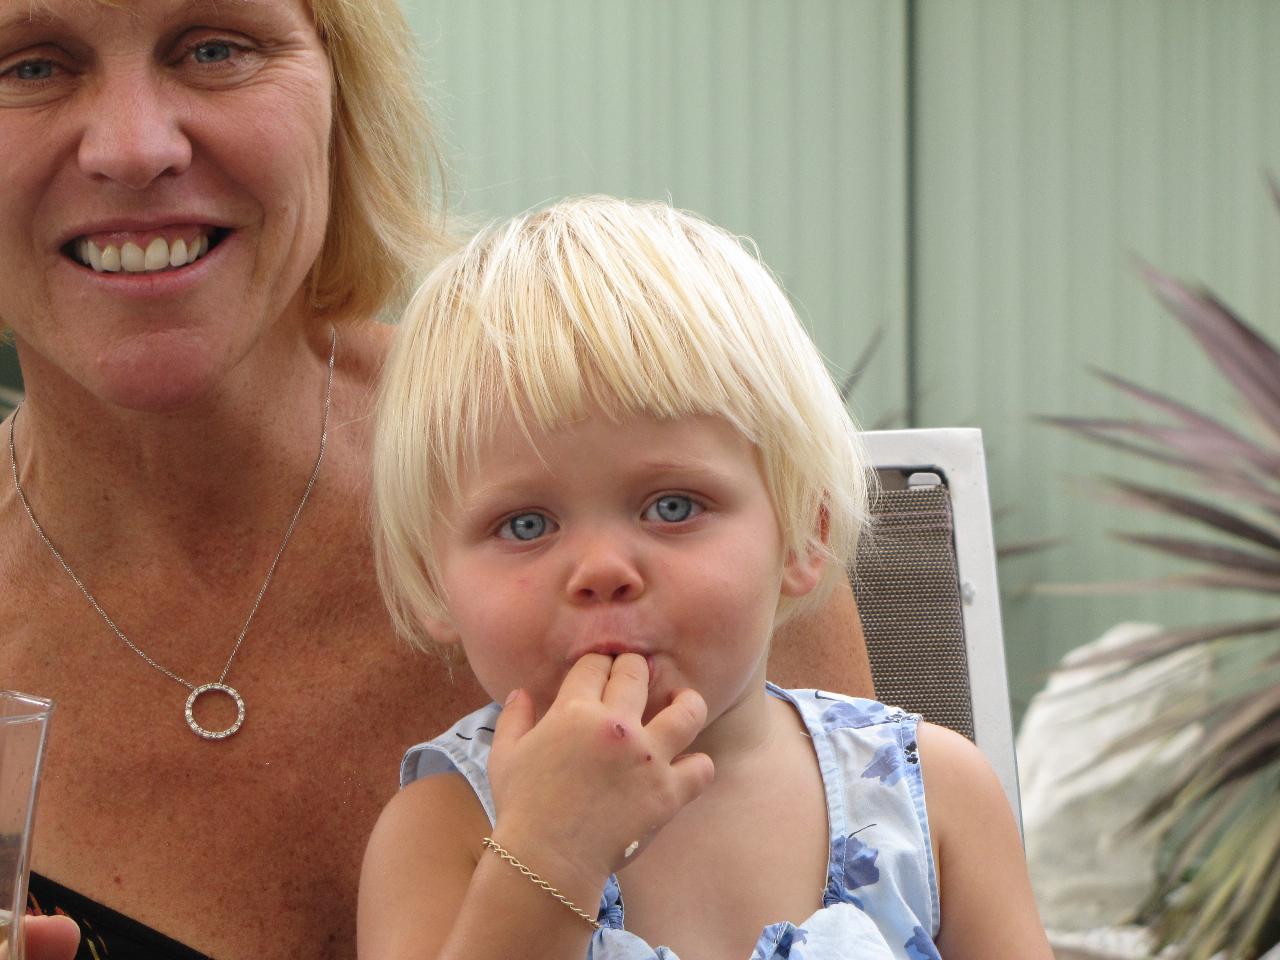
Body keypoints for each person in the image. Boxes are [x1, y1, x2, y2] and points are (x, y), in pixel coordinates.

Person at [0, 3, 872, 958]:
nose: (135, 147)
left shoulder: (698, 504)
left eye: (216, 48)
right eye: (28, 67)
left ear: (345, 99)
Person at [358, 197, 1051, 960]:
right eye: (526, 525)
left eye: (673, 505)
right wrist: (547, 860)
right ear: (433, 580)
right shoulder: (446, 830)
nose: (601, 571)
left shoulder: (935, 800)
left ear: (803, 533)